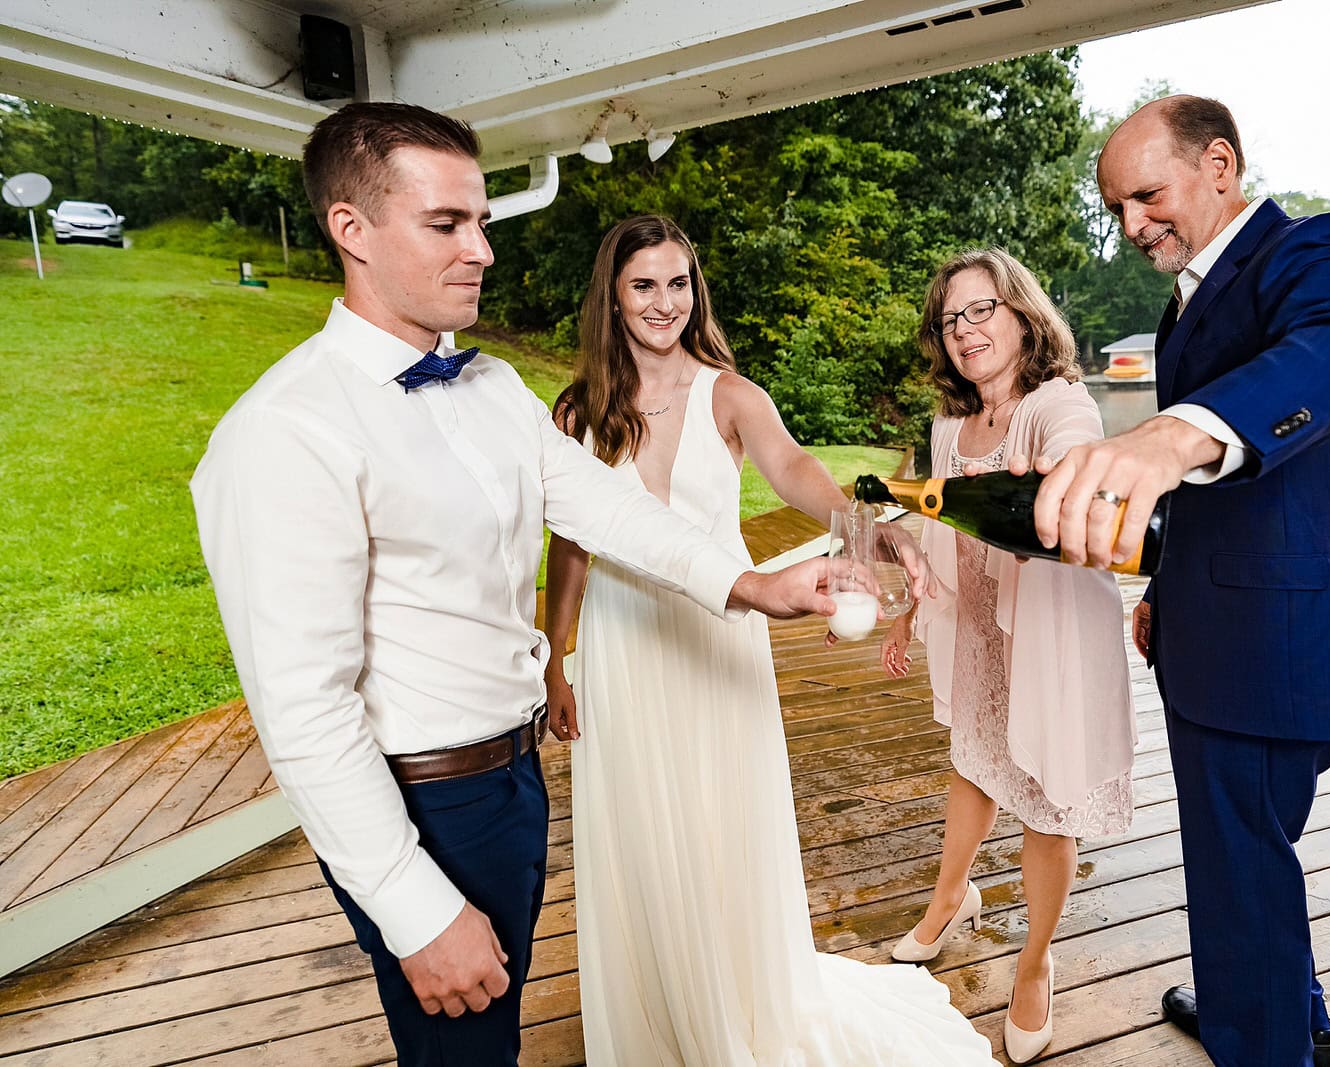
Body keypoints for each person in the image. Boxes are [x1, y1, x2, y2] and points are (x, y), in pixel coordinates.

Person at [190, 105, 841, 1067]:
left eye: (482, 221)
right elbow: (303, 712)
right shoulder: (286, 432)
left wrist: (753, 587)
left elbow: (607, 512)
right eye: (448, 224)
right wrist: (413, 908)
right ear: (350, 229)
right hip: (422, 804)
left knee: (494, 1036)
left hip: (515, 777)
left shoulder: (490, 388)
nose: (483, 251)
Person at [541, 215, 996, 1066]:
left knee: (723, 821)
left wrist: (872, 525)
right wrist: (554, 659)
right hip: (624, 647)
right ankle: (663, 1009)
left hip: (722, 636)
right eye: (644, 284)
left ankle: (738, 1007)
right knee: (644, 828)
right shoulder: (578, 412)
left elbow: (798, 472)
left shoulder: (730, 394)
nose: (664, 302)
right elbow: (568, 543)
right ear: (612, 293)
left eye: (679, 283)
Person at [1029, 96, 1330, 1067]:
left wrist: (1171, 430)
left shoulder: (1316, 252)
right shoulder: (1185, 302)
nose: (1131, 226)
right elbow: (1218, 496)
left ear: (1219, 165)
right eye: (1116, 207)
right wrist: (1166, 586)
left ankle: (1263, 1038)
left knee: (1238, 870)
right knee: (1252, 863)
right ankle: (1286, 1004)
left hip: (1268, 653)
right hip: (1229, 631)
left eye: (1146, 194)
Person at [875, 248, 1137, 1064]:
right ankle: (950, 900)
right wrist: (905, 609)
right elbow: (941, 524)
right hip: (979, 623)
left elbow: (1074, 459)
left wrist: (1054, 479)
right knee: (975, 760)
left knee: (1047, 799)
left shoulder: (1061, 405)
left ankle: (1035, 964)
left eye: (982, 309)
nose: (965, 330)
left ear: (1022, 312)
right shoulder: (951, 425)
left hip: (1052, 628)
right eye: (952, 318)